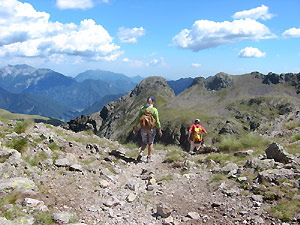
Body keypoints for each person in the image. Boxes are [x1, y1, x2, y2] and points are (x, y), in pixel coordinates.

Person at [133, 96, 162, 162]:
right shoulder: (154, 110)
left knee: (144, 142)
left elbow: (138, 119)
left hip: (143, 129)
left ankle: (141, 152)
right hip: (151, 129)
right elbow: (157, 121)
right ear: (153, 102)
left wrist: (136, 126)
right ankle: (149, 158)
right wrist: (159, 129)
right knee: (150, 143)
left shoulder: (142, 109)